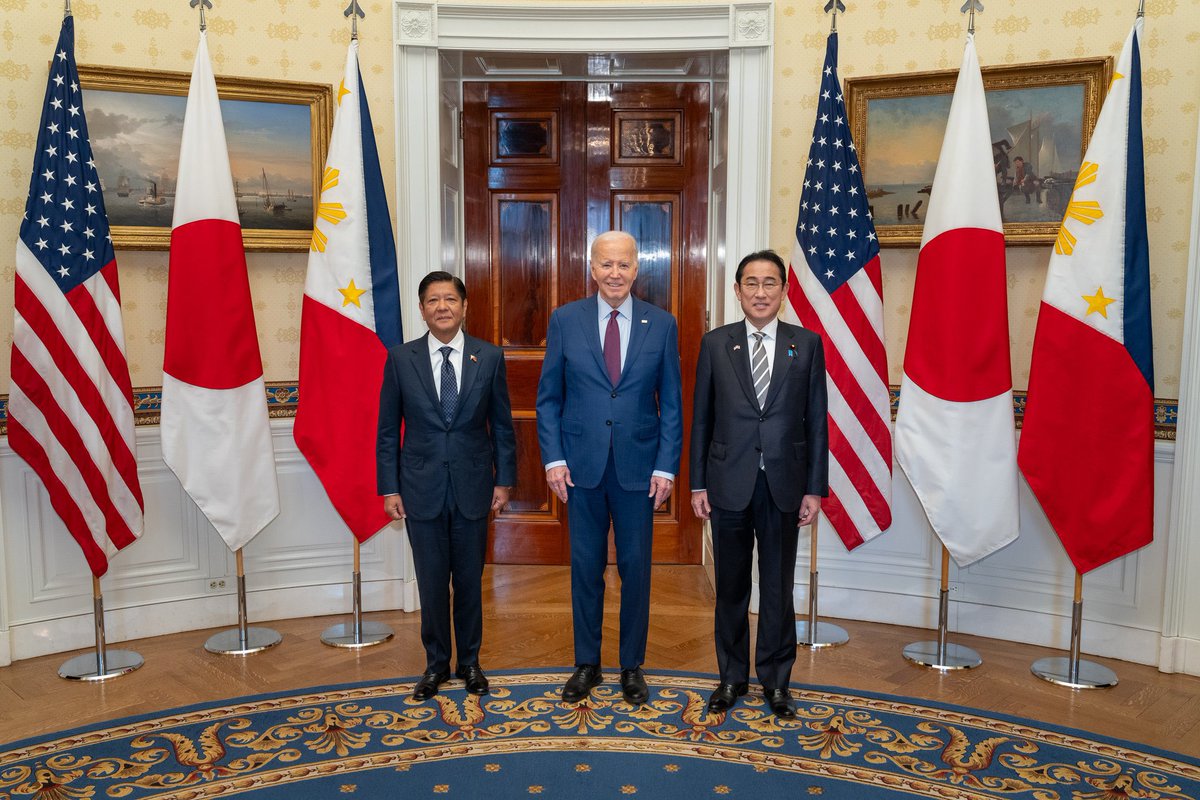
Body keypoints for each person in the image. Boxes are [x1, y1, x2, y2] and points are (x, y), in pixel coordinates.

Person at [535, 230, 683, 706]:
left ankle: (632, 666)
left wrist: (667, 467)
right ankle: (587, 663)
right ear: (591, 268)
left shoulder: (661, 324)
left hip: (640, 470)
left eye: (623, 265)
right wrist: (554, 459)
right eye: (606, 264)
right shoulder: (565, 320)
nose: (615, 273)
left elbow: (673, 405)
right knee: (585, 568)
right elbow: (549, 399)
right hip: (580, 469)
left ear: (637, 269)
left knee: (636, 569)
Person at [689, 250, 829, 720]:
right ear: (737, 291)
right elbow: (701, 420)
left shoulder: (805, 345)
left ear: (784, 292)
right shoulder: (715, 344)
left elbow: (815, 424)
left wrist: (814, 489)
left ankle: (776, 682)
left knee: (776, 587)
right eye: (751, 283)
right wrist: (697, 485)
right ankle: (731, 677)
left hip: (784, 486)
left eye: (770, 283)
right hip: (728, 483)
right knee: (730, 588)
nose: (760, 292)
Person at [376, 271, 516, 701]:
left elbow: (503, 427)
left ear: (464, 306)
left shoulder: (488, 357)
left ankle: (470, 663)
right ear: (422, 309)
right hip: (420, 489)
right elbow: (386, 431)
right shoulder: (402, 359)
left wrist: (505, 481)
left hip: (474, 487)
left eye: (450, 299)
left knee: (471, 582)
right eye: (433, 300)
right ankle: (436, 664)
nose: (442, 307)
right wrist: (389, 488)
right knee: (432, 582)